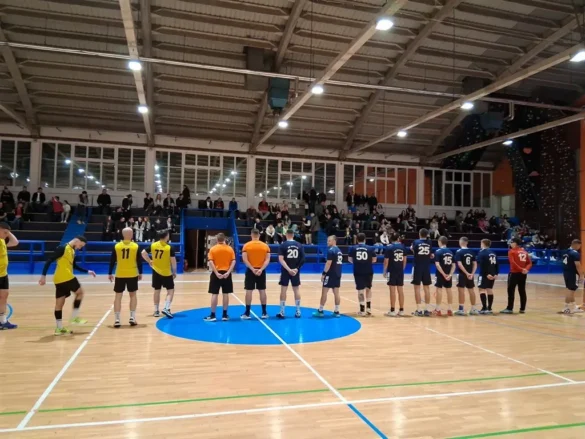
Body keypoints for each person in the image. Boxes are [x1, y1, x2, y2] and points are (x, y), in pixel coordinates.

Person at [39, 236, 96, 335]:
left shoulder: (72, 251)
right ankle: (74, 317)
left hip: (59, 279)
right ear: (77, 240)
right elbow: (49, 260)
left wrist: (87, 271)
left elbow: (74, 265)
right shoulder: (63, 248)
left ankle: (59, 328)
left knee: (59, 304)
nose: (80, 248)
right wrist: (43, 276)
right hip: (66, 276)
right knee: (80, 293)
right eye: (81, 245)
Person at [108, 228, 143, 328]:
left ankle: (117, 320)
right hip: (132, 274)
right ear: (131, 234)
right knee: (133, 295)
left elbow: (112, 260)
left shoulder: (117, 246)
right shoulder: (136, 246)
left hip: (120, 274)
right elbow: (139, 261)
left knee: (118, 296)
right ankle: (132, 317)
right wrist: (140, 272)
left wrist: (110, 273)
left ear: (123, 235)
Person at [142, 230, 177, 319]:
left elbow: (143, 253)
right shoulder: (169, 247)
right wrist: (174, 272)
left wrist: (149, 261)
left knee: (157, 290)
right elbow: (173, 262)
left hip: (156, 271)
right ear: (166, 236)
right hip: (166, 272)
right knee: (170, 290)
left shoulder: (153, 245)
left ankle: (156, 310)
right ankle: (166, 308)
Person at [204, 233, 236, 322]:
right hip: (226, 273)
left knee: (214, 294)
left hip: (216, 274)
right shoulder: (230, 249)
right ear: (224, 239)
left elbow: (211, 262)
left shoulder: (213, 249)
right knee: (226, 294)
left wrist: (216, 273)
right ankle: (225, 315)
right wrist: (228, 272)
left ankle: (213, 315)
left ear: (217, 240)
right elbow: (233, 261)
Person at [241, 229, 271, 319]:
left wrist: (252, 269)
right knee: (262, 290)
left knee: (249, 290)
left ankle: (247, 313)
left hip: (251, 271)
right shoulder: (265, 246)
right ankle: (264, 313)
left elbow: (245, 259)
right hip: (261, 271)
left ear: (251, 235)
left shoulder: (246, 246)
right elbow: (267, 260)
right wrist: (261, 269)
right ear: (259, 235)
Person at [277, 229, 305, 319]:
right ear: (293, 235)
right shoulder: (299, 245)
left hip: (286, 271)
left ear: (286, 235)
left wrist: (289, 269)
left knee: (283, 290)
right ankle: (298, 311)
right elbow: (303, 259)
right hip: (295, 271)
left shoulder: (283, 245)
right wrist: (296, 269)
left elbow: (281, 259)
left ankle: (282, 311)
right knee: (296, 289)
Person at [348, 232, 377, 316]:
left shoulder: (353, 248)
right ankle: (369, 308)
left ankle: (362, 310)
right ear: (365, 239)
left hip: (358, 271)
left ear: (357, 239)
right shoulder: (370, 248)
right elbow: (374, 260)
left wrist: (357, 262)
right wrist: (367, 262)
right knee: (368, 288)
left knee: (360, 290)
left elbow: (350, 259)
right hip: (368, 270)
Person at [313, 235, 342, 318]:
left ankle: (320, 310)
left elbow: (328, 263)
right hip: (338, 274)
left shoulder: (331, 250)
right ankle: (336, 311)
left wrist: (324, 273)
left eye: (329, 241)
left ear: (334, 241)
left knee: (324, 292)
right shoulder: (339, 251)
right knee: (336, 293)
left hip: (330, 274)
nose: (327, 242)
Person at [501, 237, 532, 314]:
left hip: (514, 273)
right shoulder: (524, 252)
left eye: (512, 242)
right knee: (522, 290)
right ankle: (522, 308)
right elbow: (529, 263)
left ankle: (509, 308)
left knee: (511, 290)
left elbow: (513, 263)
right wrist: (526, 269)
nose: (510, 244)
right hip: (523, 274)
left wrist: (521, 269)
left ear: (515, 243)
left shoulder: (511, 251)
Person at [0, 224, 19, 330]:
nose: (6, 235)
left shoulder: (2, 240)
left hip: (3, 274)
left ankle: (2, 321)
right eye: (5, 233)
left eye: (7, 233)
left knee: (4, 296)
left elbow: (15, 242)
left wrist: (7, 231)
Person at [383, 233, 407, 316]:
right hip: (400, 271)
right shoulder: (403, 247)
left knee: (392, 291)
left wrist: (384, 271)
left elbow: (386, 261)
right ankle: (401, 310)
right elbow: (405, 260)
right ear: (398, 238)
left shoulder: (389, 247)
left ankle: (392, 310)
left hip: (391, 270)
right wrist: (402, 269)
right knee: (400, 290)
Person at [454, 237, 479, 316]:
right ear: (467, 242)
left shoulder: (459, 252)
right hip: (470, 275)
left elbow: (459, 264)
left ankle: (461, 309)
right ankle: (473, 308)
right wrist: (472, 273)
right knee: (471, 290)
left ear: (460, 242)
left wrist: (466, 273)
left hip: (462, 274)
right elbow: (475, 264)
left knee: (461, 291)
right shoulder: (472, 251)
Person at [411, 228, 433, 317]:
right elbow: (430, 253)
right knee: (426, 288)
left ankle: (419, 310)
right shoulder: (429, 242)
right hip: (426, 267)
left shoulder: (415, 242)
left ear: (419, 234)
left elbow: (414, 251)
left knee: (417, 288)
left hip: (417, 266)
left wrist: (412, 249)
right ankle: (427, 310)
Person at [561, 239, 584, 314]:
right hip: (572, 274)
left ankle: (574, 307)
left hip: (566, 273)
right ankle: (566, 307)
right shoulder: (575, 253)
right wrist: (581, 275)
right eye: (579, 246)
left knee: (570, 290)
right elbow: (578, 265)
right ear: (576, 244)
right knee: (571, 291)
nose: (579, 247)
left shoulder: (566, 252)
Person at [477, 239, 499, 314]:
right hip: (493, 274)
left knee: (481, 289)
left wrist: (486, 274)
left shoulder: (482, 252)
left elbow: (482, 264)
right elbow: (497, 264)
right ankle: (489, 308)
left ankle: (484, 308)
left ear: (483, 244)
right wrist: (496, 274)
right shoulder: (493, 253)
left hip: (484, 274)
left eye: (481, 243)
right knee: (489, 289)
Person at [434, 236, 455, 316]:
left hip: (440, 274)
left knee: (439, 289)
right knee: (449, 290)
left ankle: (438, 309)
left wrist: (443, 274)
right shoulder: (450, 252)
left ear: (440, 242)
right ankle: (450, 309)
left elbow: (437, 265)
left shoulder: (438, 251)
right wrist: (450, 274)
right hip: (448, 274)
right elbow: (454, 265)